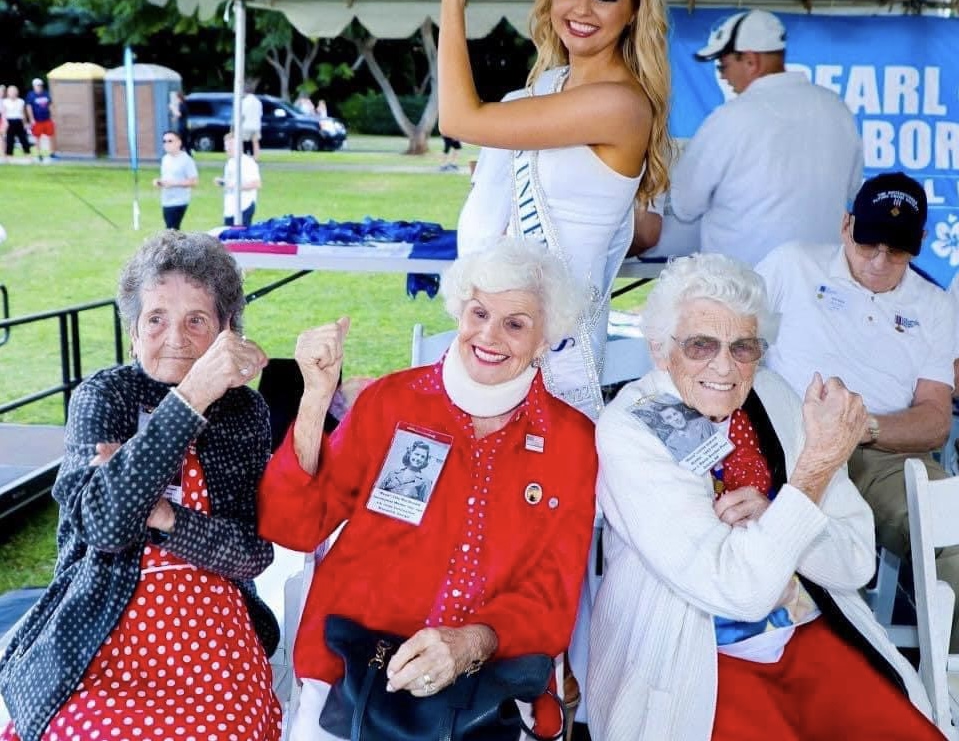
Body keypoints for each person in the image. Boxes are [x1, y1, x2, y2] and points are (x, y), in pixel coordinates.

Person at [257, 238, 597, 741]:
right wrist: (315, 401)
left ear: (545, 340)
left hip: (487, 693)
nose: (490, 335)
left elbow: (553, 593)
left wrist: (470, 642)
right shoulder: (392, 402)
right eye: (479, 312)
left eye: (516, 323)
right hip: (355, 675)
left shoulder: (571, 441)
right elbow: (293, 524)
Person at [588, 252, 938, 741]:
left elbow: (858, 560)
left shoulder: (772, 395)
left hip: (806, 630)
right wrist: (809, 480)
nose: (724, 367)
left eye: (743, 347)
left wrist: (778, 513)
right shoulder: (634, 426)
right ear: (659, 349)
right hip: (694, 658)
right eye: (700, 346)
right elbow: (738, 591)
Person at [0, 231, 281, 741]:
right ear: (133, 332)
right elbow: (105, 526)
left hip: (212, 618)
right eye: (156, 319)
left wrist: (163, 516)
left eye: (197, 320)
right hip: (101, 615)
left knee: (223, 731)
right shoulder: (104, 397)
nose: (176, 337)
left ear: (226, 330)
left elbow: (251, 553)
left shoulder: (244, 411)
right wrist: (192, 395)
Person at [441, 0, 671, 422]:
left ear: (633, 11)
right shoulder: (547, 86)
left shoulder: (619, 105)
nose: (582, 9)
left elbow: (461, 120)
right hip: (493, 333)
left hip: (554, 356)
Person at [756, 170, 959, 651]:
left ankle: (946, 689)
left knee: (950, 532)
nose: (879, 261)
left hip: (882, 449)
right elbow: (738, 342)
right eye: (869, 244)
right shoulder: (791, 265)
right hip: (789, 443)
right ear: (845, 226)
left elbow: (934, 419)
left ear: (920, 244)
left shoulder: (933, 305)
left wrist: (857, 428)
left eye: (897, 250)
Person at [640, 9, 863, 266]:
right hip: (817, 283)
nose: (722, 75)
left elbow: (685, 204)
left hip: (745, 286)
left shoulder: (730, 118)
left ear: (750, 61)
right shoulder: (837, 110)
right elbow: (852, 189)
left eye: (723, 64)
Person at [153, 130, 199, 229]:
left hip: (179, 201)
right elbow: (167, 178)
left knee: (171, 230)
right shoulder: (165, 159)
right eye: (164, 141)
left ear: (178, 142)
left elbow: (194, 181)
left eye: (170, 141)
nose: (166, 144)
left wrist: (174, 183)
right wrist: (159, 182)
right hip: (166, 200)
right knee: (171, 230)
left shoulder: (186, 160)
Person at [216, 131, 261, 227]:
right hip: (230, 208)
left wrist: (236, 186)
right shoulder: (230, 163)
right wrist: (223, 182)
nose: (228, 148)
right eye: (226, 145)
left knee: (239, 238)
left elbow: (256, 183)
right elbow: (231, 181)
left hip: (243, 206)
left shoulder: (247, 162)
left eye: (231, 145)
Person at [24, 78, 55, 163]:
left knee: (51, 136)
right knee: (37, 137)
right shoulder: (31, 95)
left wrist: (52, 116)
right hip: (37, 120)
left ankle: (52, 153)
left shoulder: (45, 93)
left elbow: (50, 105)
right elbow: (28, 107)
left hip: (47, 119)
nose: (39, 87)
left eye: (40, 85)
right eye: (37, 85)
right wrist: (31, 119)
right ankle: (39, 154)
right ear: (34, 86)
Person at [2, 86, 31, 161]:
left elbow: (23, 113)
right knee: (9, 139)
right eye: (10, 91)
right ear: (8, 93)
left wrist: (25, 123)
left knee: (23, 138)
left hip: (19, 121)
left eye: (14, 91)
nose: (12, 93)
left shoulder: (21, 101)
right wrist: (5, 122)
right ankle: (9, 156)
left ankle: (27, 154)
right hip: (9, 121)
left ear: (16, 92)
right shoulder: (5, 102)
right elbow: (4, 114)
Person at [241, 87, 263, 159]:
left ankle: (245, 156)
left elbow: (242, 114)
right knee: (255, 142)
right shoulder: (258, 102)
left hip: (246, 125)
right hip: (256, 125)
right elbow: (260, 114)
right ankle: (255, 157)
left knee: (245, 141)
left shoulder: (244, 101)